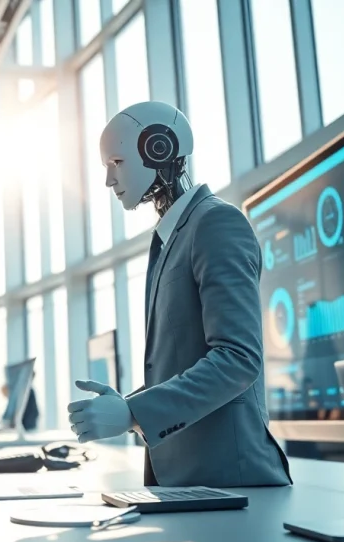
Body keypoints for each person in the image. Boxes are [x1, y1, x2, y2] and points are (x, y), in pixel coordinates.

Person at [67, 101, 291, 488]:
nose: (109, 180)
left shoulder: (217, 223)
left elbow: (238, 358)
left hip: (231, 483)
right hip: (187, 483)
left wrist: (132, 412)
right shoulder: (170, 238)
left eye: (116, 162)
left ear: (159, 148)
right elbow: (178, 364)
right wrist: (126, 406)